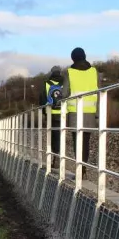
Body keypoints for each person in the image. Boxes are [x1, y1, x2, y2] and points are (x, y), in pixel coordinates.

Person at [61, 47, 99, 178]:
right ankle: (83, 170)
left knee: (77, 141)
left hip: (75, 111)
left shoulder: (69, 72)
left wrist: (59, 97)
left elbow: (65, 92)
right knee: (86, 142)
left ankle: (80, 172)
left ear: (72, 58)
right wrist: (97, 113)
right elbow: (98, 91)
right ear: (85, 56)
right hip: (90, 111)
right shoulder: (94, 71)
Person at [39, 66, 63, 168]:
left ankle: (54, 158)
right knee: (61, 135)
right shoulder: (64, 83)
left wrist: (44, 112)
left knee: (53, 136)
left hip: (51, 113)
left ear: (51, 72)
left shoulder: (47, 83)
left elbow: (42, 99)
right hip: (63, 113)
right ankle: (59, 158)